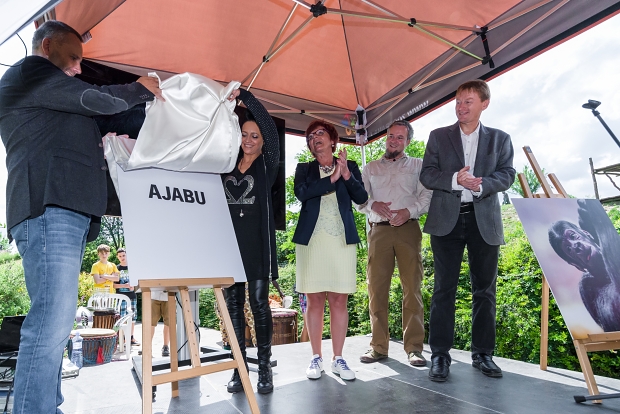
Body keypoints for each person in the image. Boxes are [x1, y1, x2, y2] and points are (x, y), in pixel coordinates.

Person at [0, 20, 162, 413]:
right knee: (51, 322)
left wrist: (165, 109)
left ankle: (44, 404)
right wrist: (140, 87)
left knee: (55, 322)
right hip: (48, 207)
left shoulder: (57, 99)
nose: (78, 68)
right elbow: (98, 100)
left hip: (61, 211)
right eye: (74, 58)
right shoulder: (29, 72)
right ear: (47, 45)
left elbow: (114, 117)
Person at [420, 79, 515, 382]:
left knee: (484, 291)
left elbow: (508, 174)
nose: (461, 107)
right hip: (446, 220)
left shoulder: (500, 139)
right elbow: (427, 174)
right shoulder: (438, 136)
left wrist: (483, 184)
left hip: (483, 221)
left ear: (484, 104)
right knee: (443, 291)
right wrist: (454, 180)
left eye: (468, 102)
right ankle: (439, 356)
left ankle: (483, 354)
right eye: (458, 102)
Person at [293, 121, 368, 381]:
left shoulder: (351, 166)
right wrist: (331, 180)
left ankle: (339, 358)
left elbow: (361, 197)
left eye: (320, 133)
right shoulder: (304, 169)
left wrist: (345, 175)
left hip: (340, 241)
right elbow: (302, 194)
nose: (315, 138)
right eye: (311, 136)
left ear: (333, 140)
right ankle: (316, 357)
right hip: (312, 241)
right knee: (314, 300)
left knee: (339, 299)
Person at [356, 120, 432, 366]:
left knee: (412, 289)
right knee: (377, 290)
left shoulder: (419, 166)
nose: (394, 140)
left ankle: (414, 349)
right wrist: (371, 205)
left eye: (400, 137)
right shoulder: (369, 169)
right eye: (391, 136)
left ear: (408, 141)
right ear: (385, 138)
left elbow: (427, 196)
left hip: (409, 230)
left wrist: (408, 212)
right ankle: (378, 347)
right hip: (378, 232)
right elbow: (357, 199)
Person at [221, 88, 279, 394]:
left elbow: (269, 126)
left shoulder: (266, 166)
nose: (249, 140)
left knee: (258, 306)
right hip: (230, 246)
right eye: (245, 134)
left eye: (255, 136)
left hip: (256, 245)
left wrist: (247, 97)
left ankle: (265, 368)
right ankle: (238, 368)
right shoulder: (225, 164)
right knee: (233, 309)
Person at [548, 199, 620, 332]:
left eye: (574, 236)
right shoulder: (589, 287)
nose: (575, 246)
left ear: (586, 234)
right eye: (568, 249)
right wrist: (602, 226)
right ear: (576, 264)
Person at [114, 248, 140, 346]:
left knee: (132, 318)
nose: (122, 258)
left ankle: (131, 338)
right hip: (121, 297)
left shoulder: (132, 268)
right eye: (120, 256)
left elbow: (138, 283)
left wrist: (134, 286)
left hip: (132, 296)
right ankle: (121, 339)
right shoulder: (116, 268)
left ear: (127, 255)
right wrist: (124, 286)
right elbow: (114, 285)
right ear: (117, 257)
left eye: (124, 255)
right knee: (121, 318)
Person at [151, 290, 171, 357]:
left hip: (169, 296)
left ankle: (165, 346)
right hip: (154, 295)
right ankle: (147, 346)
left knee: (168, 322)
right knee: (150, 322)